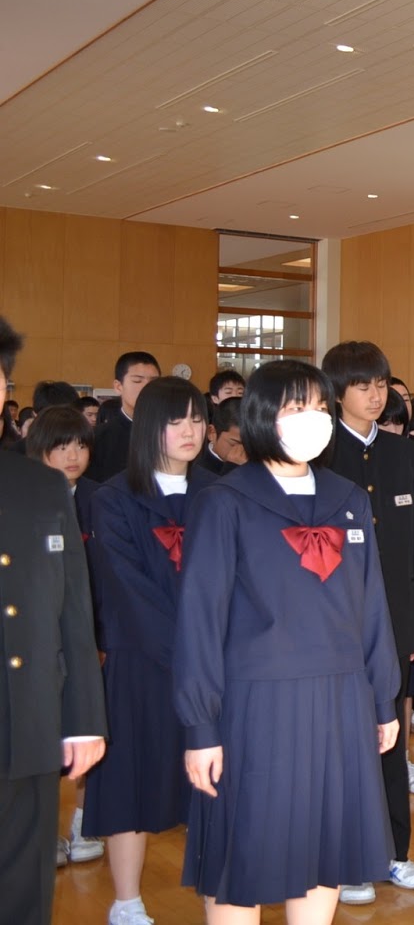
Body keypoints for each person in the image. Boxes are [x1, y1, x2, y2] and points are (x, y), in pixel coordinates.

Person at [174, 360, 400, 924]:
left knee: (326, 845)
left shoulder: (349, 497)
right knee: (243, 848)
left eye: (320, 407)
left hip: (341, 695)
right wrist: (201, 728)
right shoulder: (225, 501)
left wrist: (382, 699)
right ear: (260, 417)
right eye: (297, 408)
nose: (313, 418)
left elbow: (372, 604)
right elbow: (200, 621)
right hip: (255, 700)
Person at [86, 376, 215, 925]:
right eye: (175, 420)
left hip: (212, 666)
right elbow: (128, 590)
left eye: (197, 419)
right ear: (148, 428)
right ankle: (127, 901)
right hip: (141, 662)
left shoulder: (220, 492)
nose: (190, 431)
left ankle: (219, 896)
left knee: (214, 785)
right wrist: (190, 653)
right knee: (132, 781)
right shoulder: (114, 498)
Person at [0, 315, 108, 925]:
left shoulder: (39, 487)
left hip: (27, 719)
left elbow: (73, 607)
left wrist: (84, 718)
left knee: (23, 887)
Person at [319, 342, 414, 905]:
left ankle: (394, 851)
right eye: (362, 385)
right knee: (344, 742)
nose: (375, 394)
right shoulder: (319, 454)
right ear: (336, 392)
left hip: (395, 622)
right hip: (334, 626)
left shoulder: (407, 454)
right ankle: (347, 859)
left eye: (381, 384)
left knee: (392, 739)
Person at [22, 405, 107, 868]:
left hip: (89, 633)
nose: (73, 455)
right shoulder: (25, 495)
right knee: (41, 737)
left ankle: (83, 820)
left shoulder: (100, 498)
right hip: (36, 639)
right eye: (61, 446)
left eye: (81, 445)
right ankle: (47, 829)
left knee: (88, 725)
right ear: (39, 448)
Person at [89, 352, 161, 482]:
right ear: (118, 386)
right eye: (137, 381)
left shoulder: (172, 434)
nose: (147, 388)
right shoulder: (96, 438)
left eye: (154, 382)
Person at [194, 395, 246, 476]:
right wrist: (231, 468)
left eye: (250, 445)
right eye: (235, 444)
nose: (243, 451)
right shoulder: (194, 467)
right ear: (211, 433)